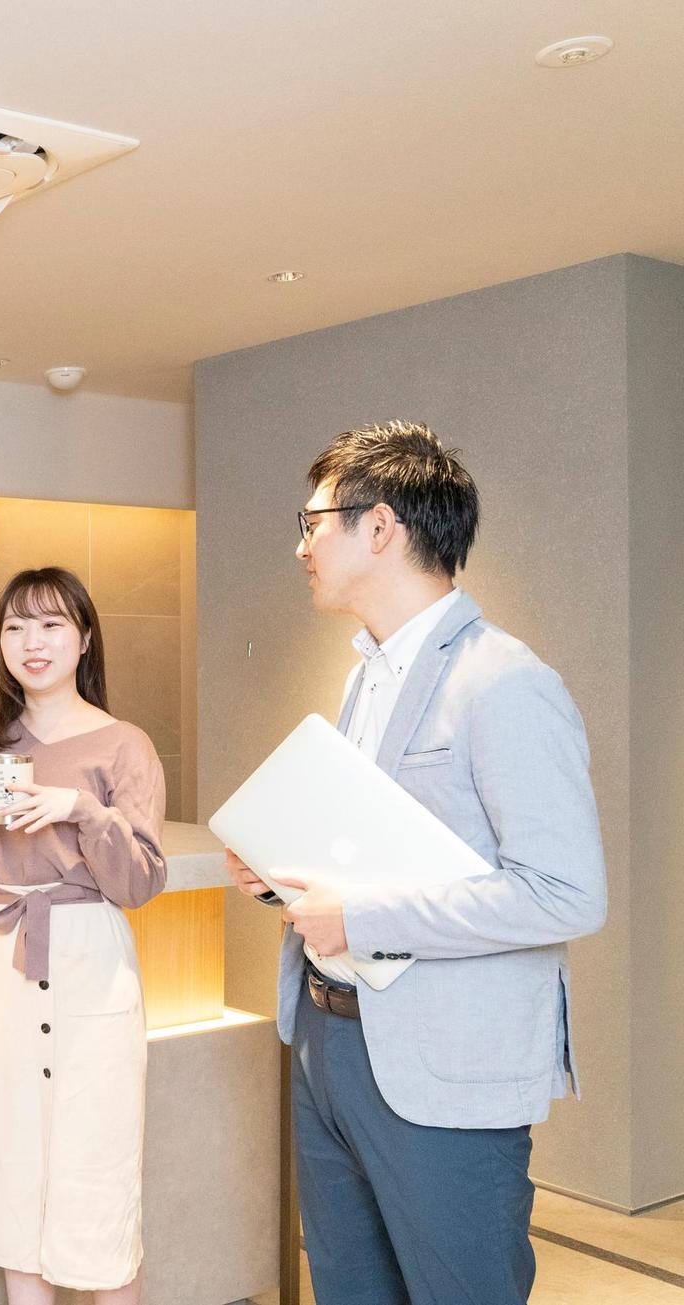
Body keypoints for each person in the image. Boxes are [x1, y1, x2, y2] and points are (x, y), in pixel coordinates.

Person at [225, 421, 606, 1305]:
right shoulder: (366, 676)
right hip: (329, 1042)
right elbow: (377, 847)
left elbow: (565, 892)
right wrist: (286, 876)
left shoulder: (505, 681)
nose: (300, 546)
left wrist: (361, 918)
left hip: (442, 1067)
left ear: (380, 526)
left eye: (312, 522)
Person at [0, 567, 166, 1305]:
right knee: (10, 1161)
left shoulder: (125, 744)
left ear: (84, 639)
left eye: (52, 624)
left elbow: (142, 880)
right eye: (15, 626)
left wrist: (82, 809)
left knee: (97, 1161)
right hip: (2, 957)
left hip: (89, 955)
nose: (32, 642)